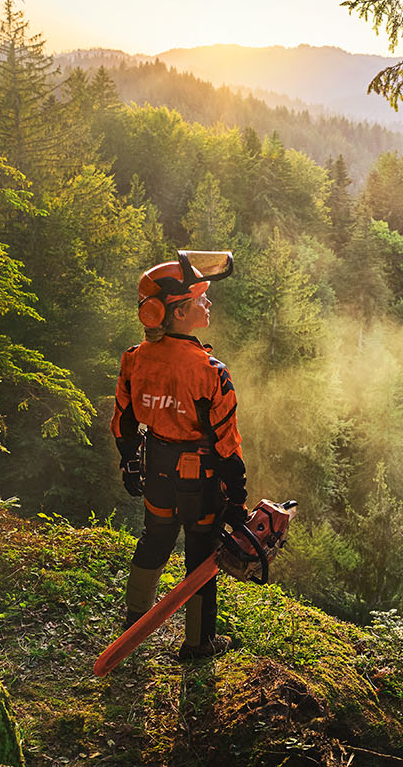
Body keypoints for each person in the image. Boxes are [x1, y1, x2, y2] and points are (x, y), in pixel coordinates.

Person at [112, 252, 248, 660]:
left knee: (154, 538)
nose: (208, 304)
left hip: (156, 464)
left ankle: (135, 622)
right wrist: (237, 496)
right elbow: (227, 442)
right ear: (180, 311)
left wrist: (129, 459)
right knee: (201, 552)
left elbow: (124, 420)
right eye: (201, 299)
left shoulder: (135, 359)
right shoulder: (210, 370)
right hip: (199, 474)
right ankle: (198, 643)